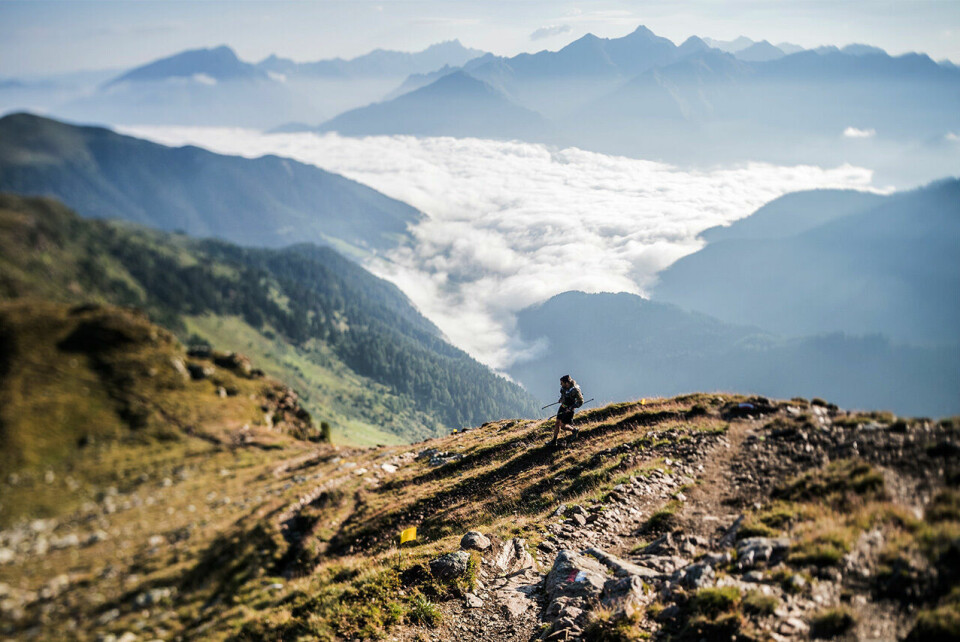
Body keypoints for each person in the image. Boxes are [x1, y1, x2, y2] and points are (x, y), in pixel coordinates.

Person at [551, 374, 583, 447]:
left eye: (562, 383)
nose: (560, 384)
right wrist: (561, 399)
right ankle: (554, 441)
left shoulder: (575, 390)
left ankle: (574, 430)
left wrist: (571, 408)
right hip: (563, 407)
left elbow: (580, 401)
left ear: (567, 383)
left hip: (569, 410)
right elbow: (563, 396)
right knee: (557, 423)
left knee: (562, 426)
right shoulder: (563, 389)